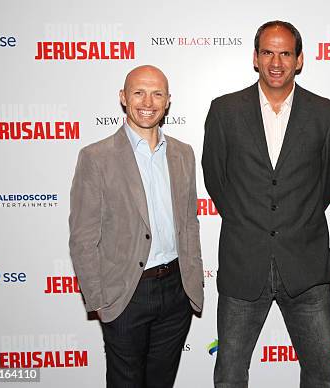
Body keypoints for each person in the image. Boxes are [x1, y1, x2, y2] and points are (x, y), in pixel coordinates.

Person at [202, 20, 330, 388]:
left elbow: (327, 183)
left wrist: (296, 222)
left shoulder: (325, 114)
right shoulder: (224, 111)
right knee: (229, 376)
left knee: (321, 374)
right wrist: (249, 221)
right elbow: (216, 180)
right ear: (255, 57)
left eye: (285, 53)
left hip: (306, 265)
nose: (276, 62)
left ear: (299, 60)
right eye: (268, 52)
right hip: (243, 263)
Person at [69, 65, 203, 387]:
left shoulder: (183, 154)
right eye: (139, 92)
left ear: (168, 101)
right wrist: (99, 299)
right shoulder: (96, 157)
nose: (148, 101)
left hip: (176, 291)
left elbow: (189, 222)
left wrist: (192, 280)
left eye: (157, 93)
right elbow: (83, 238)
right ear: (123, 98)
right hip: (126, 292)